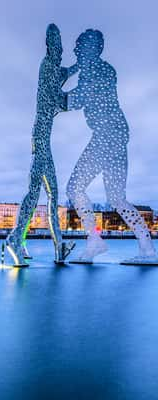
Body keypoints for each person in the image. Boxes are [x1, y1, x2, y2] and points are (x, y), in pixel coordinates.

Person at [66, 29, 157, 264]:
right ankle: (147, 248)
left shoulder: (96, 70)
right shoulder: (99, 69)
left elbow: (77, 99)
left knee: (74, 187)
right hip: (116, 135)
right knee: (117, 198)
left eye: (79, 47)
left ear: (90, 49)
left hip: (107, 135)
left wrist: (52, 95)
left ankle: (94, 240)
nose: (75, 51)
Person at [5, 24, 76, 266]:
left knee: (51, 195)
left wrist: (80, 66)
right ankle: (15, 238)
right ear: (50, 46)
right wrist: (83, 92)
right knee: (37, 193)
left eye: (61, 47)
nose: (61, 51)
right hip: (41, 140)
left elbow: (67, 73)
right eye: (57, 46)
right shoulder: (48, 67)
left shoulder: (53, 69)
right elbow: (63, 99)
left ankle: (58, 246)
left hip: (42, 140)